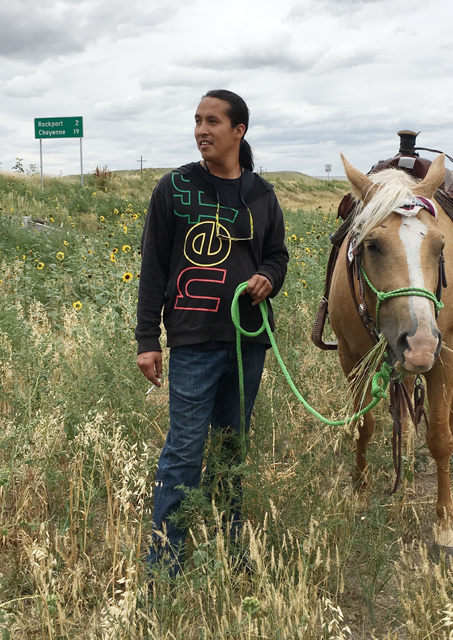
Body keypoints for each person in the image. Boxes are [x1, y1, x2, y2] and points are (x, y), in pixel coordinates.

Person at [135, 89, 288, 570]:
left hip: (247, 341)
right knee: (183, 451)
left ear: (239, 131)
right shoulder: (174, 188)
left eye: (213, 121)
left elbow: (277, 255)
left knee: (230, 447)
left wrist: (269, 277)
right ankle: (165, 564)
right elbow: (154, 268)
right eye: (198, 120)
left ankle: (231, 550)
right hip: (192, 341)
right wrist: (146, 341)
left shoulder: (261, 194)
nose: (202, 129)